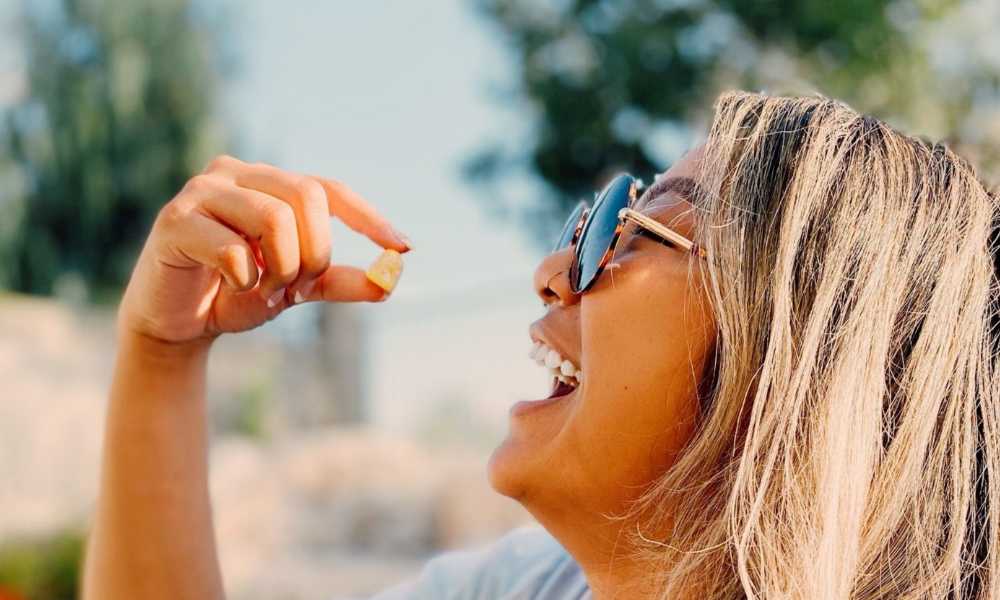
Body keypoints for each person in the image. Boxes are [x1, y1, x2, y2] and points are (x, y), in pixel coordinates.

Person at [82, 91, 1000, 600]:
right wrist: (162, 355)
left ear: (799, 361)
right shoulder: (517, 591)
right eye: (591, 214)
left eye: (629, 229)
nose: (554, 269)